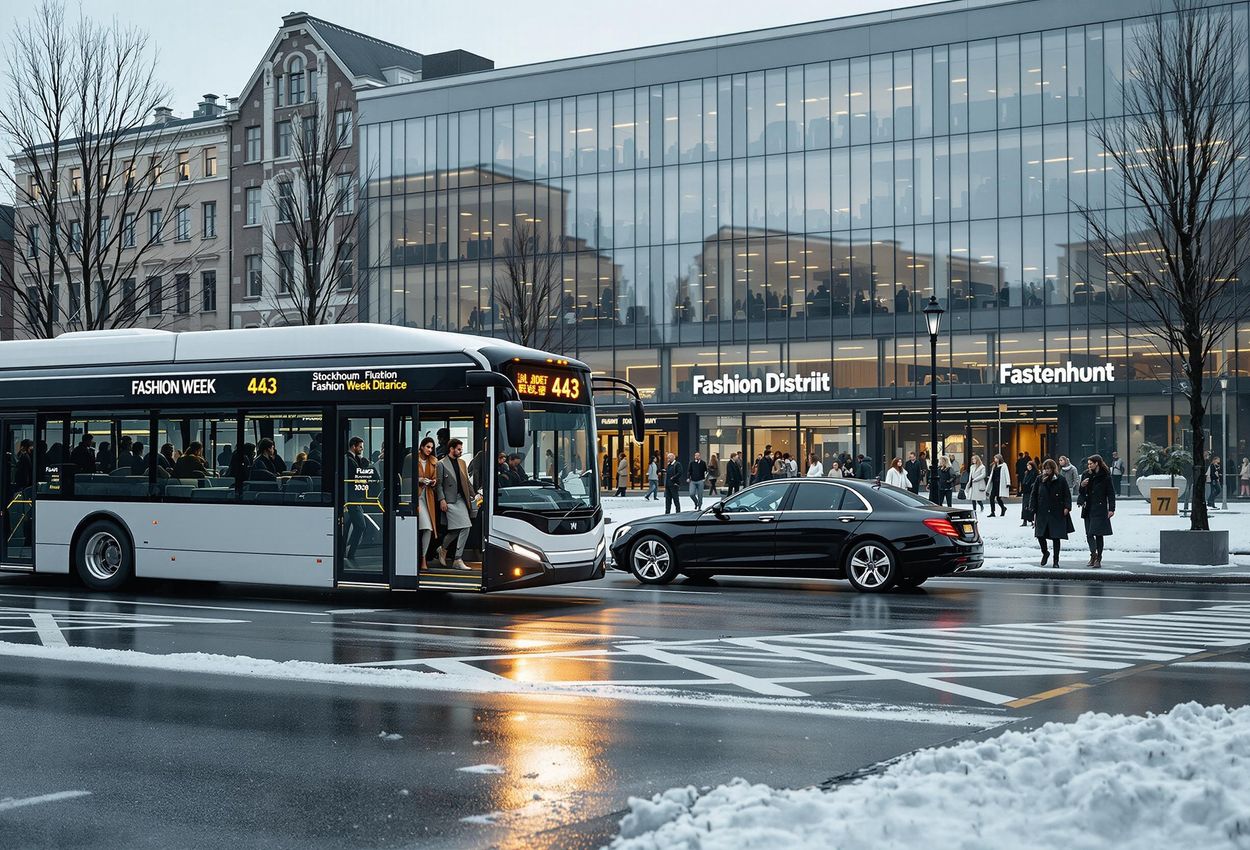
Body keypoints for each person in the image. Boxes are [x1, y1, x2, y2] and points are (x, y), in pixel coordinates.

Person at [435, 438, 477, 570]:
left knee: (458, 528)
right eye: (458, 449)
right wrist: (442, 500)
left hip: (461, 499)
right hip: (450, 500)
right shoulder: (441, 464)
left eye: (461, 449)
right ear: (451, 449)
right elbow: (439, 484)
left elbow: (466, 482)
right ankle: (457, 559)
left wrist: (473, 494)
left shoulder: (462, 463)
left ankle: (443, 549)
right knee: (464, 527)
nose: (461, 451)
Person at [1030, 458, 1073, 567]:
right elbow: (1034, 494)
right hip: (1042, 512)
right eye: (1045, 469)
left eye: (1048, 468)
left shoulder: (1060, 480)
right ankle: (1045, 552)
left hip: (1056, 512)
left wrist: (1067, 507)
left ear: (1053, 469)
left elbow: (1067, 495)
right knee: (1040, 535)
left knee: (1056, 537)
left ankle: (1056, 561)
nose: (1046, 471)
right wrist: (1033, 509)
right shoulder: (1039, 479)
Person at [1077, 454, 1116, 568]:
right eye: (1088, 464)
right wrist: (1082, 485)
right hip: (1088, 507)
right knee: (1089, 533)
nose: (1089, 466)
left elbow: (1111, 493)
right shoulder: (1085, 474)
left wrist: (1111, 509)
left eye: (1091, 464)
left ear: (1097, 463)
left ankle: (1099, 558)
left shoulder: (1105, 476)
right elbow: (1081, 491)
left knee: (1098, 534)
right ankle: (1093, 554)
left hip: (1099, 508)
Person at [342, 437, 372, 563]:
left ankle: (345, 551)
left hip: (352, 499)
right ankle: (350, 552)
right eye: (360, 447)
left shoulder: (353, 459)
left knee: (348, 527)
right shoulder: (350, 460)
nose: (362, 449)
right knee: (360, 525)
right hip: (352, 499)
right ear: (353, 446)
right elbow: (357, 476)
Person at [415, 437, 438, 568]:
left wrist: (433, 481)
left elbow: (436, 478)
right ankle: (420, 558)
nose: (430, 450)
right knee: (424, 528)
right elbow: (408, 477)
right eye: (428, 447)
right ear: (422, 446)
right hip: (416, 496)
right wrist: (420, 480)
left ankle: (423, 557)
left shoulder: (434, 461)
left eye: (431, 447)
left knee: (427, 528)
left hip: (427, 497)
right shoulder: (413, 459)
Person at [1019, 460, 1038, 527]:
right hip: (1026, 491)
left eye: (1029, 465)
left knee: (1030, 505)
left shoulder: (1035, 473)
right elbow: (1024, 481)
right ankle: (1025, 520)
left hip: (1031, 491)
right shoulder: (1026, 473)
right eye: (1027, 465)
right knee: (1024, 506)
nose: (1028, 467)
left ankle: (1031, 520)